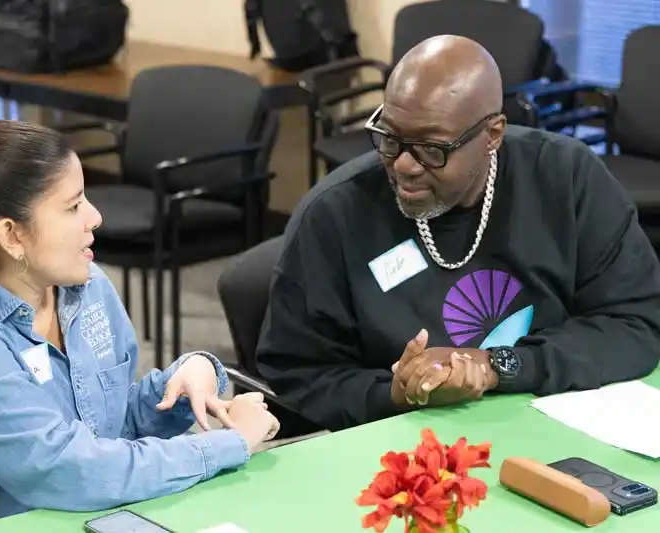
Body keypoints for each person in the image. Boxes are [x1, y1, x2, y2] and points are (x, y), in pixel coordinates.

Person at [0, 118, 280, 533]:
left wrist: (185, 380)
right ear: (12, 236)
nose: (94, 217)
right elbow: (67, 469)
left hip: (84, 516)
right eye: (73, 206)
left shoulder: (85, 287)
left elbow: (107, 428)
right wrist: (228, 444)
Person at [255, 35, 660, 433]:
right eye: (390, 137)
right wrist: (395, 395)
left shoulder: (567, 179)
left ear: (493, 135)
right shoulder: (334, 214)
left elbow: (637, 323)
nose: (404, 166)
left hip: (550, 428)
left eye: (432, 147)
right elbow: (297, 378)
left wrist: (495, 367)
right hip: (399, 447)